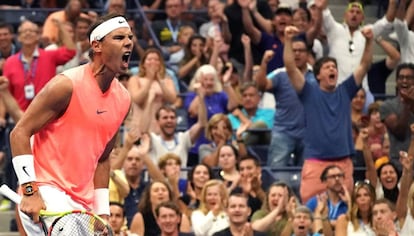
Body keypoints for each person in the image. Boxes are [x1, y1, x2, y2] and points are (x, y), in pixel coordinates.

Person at [9, 13, 133, 234]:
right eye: (119, 37)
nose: (128, 42)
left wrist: (102, 213)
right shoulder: (65, 86)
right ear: (97, 45)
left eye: (130, 37)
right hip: (47, 192)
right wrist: (29, 191)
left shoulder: (123, 99)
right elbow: (19, 132)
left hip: (82, 203)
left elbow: (103, 159)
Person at [283, 25, 373, 203]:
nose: (332, 69)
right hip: (316, 162)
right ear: (317, 75)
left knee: (345, 213)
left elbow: (365, 65)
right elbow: (291, 68)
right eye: (327, 67)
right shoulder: (308, 92)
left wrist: (369, 41)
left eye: (334, 67)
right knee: (311, 211)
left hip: (343, 162)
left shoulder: (345, 90)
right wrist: (287, 41)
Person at [3, 19, 76, 111]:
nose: (28, 33)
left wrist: (61, 27)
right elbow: (5, 93)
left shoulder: (49, 56)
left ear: (38, 36)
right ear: (19, 37)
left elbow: (71, 51)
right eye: (24, 31)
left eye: (31, 31)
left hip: (46, 115)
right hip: (20, 117)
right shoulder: (10, 62)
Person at [148, 92, 206, 167]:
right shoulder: (153, 139)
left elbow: (201, 124)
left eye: (172, 117)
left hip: (180, 179)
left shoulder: (183, 138)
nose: (169, 120)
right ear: (158, 122)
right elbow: (143, 131)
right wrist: (149, 101)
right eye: (165, 118)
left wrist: (201, 97)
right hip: (157, 179)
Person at [127, 48, 178, 134]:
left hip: (159, 125)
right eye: (150, 59)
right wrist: (150, 79)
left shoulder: (167, 80)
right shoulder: (134, 79)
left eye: (156, 60)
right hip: (139, 122)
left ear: (160, 64)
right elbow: (137, 99)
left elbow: (172, 99)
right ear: (143, 64)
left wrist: (160, 81)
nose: (153, 62)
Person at [379, 63, 414, 163]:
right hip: (398, 162)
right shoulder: (387, 106)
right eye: (401, 77)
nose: (404, 81)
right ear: (396, 81)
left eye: (409, 78)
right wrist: (408, 105)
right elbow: (400, 132)